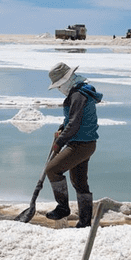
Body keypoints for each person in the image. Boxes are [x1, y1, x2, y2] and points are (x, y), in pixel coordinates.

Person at [44, 62, 103, 227]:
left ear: (67, 80)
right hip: (87, 143)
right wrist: (62, 128)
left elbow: (74, 123)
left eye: (59, 86)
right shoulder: (80, 92)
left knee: (52, 170)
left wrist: (59, 142)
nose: (59, 89)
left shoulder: (77, 95)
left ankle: (63, 207)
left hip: (80, 144)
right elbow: (72, 120)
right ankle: (84, 222)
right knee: (79, 182)